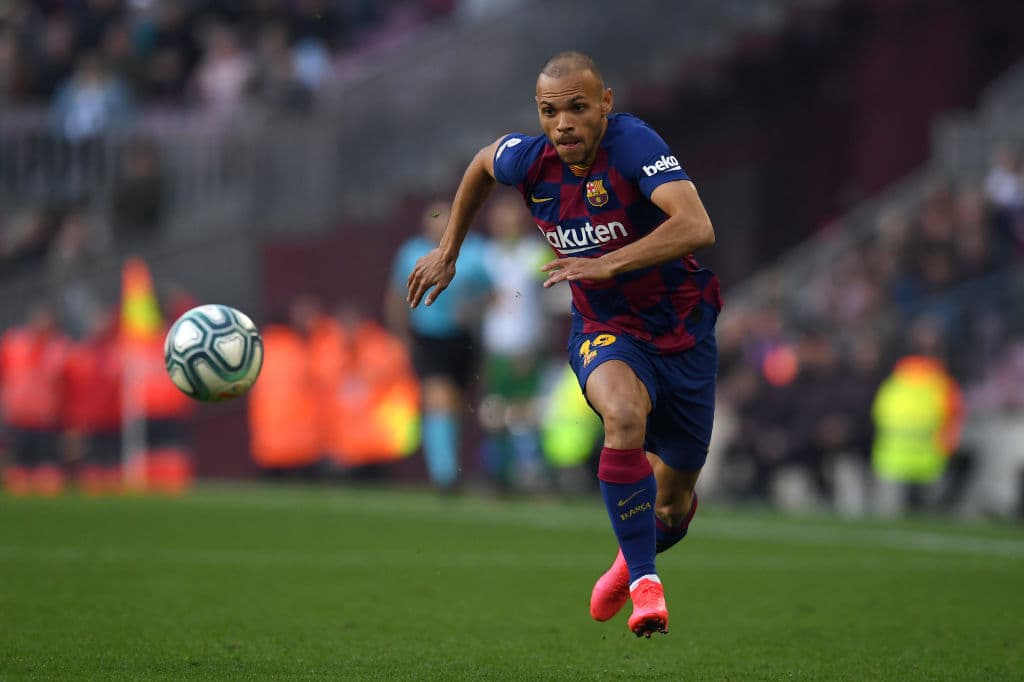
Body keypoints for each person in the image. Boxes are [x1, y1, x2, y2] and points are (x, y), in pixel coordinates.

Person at [406, 51, 721, 637]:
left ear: (605, 103)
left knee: (674, 503)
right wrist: (449, 250)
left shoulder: (633, 145)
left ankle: (627, 562)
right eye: (550, 112)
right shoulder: (530, 160)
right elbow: (480, 163)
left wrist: (610, 262)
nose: (564, 124)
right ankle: (645, 584)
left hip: (683, 330)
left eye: (577, 108)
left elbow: (696, 225)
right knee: (622, 416)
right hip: (606, 328)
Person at [388, 200, 492, 493]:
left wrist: (472, 307)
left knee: (456, 406)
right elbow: (396, 297)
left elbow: (493, 294)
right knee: (438, 400)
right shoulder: (411, 252)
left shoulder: (475, 253)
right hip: (428, 337)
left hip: (463, 338)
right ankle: (444, 475)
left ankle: (454, 467)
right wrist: (402, 337)